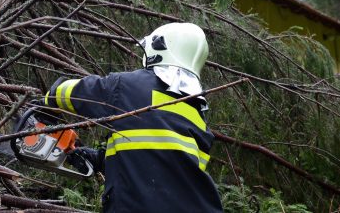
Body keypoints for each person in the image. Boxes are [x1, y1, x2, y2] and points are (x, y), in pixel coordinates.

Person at [44, 22, 223, 212]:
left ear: (159, 48)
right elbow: (163, 171)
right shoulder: (197, 116)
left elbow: (72, 93)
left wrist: (48, 101)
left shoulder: (127, 86)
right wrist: (100, 160)